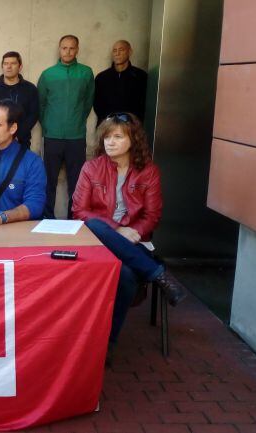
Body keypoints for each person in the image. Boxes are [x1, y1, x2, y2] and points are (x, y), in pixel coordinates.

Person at [72, 112, 186, 345]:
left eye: (117, 137)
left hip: (134, 241)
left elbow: (152, 215)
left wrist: (130, 233)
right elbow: (79, 211)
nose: (110, 142)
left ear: (133, 140)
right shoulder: (91, 168)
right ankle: (157, 273)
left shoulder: (149, 172)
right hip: (98, 239)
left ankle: (107, 344)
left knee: (124, 275)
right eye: (106, 137)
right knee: (95, 223)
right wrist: (118, 230)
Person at [38, 35, 94, 219]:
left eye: (71, 48)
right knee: (48, 181)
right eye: (64, 48)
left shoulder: (86, 73)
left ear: (77, 49)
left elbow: (87, 103)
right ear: (59, 49)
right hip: (52, 136)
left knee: (77, 181)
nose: (67, 51)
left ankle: (74, 218)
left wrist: (76, 121)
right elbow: (41, 105)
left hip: (76, 136)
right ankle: (47, 218)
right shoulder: (48, 74)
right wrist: (48, 127)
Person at [0, 51, 39, 149]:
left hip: (22, 141)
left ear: (20, 67)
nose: (9, 67)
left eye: (13, 63)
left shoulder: (30, 89)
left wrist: (18, 135)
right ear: (2, 66)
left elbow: (33, 114)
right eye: (6, 64)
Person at [94, 40, 148, 125]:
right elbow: (97, 104)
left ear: (129, 52)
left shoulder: (141, 76)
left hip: (132, 127)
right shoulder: (102, 77)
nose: (117, 53)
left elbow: (144, 104)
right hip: (107, 127)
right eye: (115, 50)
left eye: (121, 50)